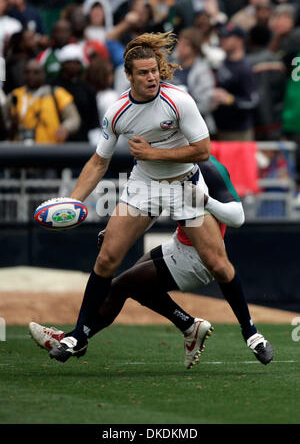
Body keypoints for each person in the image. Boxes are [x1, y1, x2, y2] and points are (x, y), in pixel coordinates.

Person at [33, 31, 270, 368]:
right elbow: (98, 162)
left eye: (154, 70)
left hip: (184, 182)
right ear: (128, 77)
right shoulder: (117, 113)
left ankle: (251, 332)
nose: (151, 77)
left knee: (218, 264)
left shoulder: (179, 100)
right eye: (143, 73)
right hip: (144, 185)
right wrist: (73, 201)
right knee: (107, 260)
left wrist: (154, 153)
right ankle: (77, 336)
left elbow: (202, 150)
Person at [29, 155, 274, 367]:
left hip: (197, 259)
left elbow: (238, 216)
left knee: (121, 286)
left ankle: (72, 340)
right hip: (178, 244)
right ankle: (189, 326)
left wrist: (206, 201)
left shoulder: (209, 168)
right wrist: (116, 232)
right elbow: (153, 205)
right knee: (137, 287)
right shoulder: (157, 164)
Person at [3, 58, 80, 143]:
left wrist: (66, 128)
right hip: (21, 149)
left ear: (43, 74)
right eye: (27, 72)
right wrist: (11, 124)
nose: (31, 76)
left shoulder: (56, 93)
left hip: (50, 149)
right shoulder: (15, 95)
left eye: (36, 72)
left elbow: (74, 118)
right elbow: (4, 121)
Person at [212, 23, 259, 141]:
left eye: (227, 37)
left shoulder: (245, 68)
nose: (222, 40)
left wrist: (229, 99)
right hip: (220, 128)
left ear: (239, 41)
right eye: (221, 37)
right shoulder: (222, 62)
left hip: (239, 132)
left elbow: (252, 101)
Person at [171, 26, 216, 135]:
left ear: (194, 48)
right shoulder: (172, 65)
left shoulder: (202, 71)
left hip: (198, 130)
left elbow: (205, 104)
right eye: (179, 43)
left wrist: (180, 115)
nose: (179, 47)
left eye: (184, 44)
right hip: (175, 129)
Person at [51, 43, 101, 142]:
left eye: (77, 62)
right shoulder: (52, 86)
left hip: (82, 141)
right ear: (62, 64)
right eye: (71, 62)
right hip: (56, 140)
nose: (74, 65)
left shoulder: (87, 88)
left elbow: (93, 119)